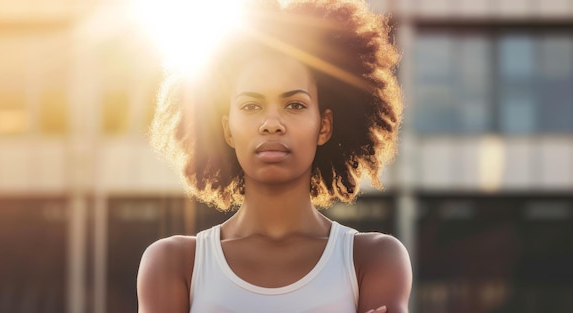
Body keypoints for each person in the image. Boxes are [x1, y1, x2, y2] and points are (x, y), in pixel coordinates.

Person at [137, 0, 412, 312]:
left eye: (294, 105)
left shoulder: (372, 258)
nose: (271, 124)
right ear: (227, 130)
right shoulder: (173, 263)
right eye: (251, 106)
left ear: (324, 126)